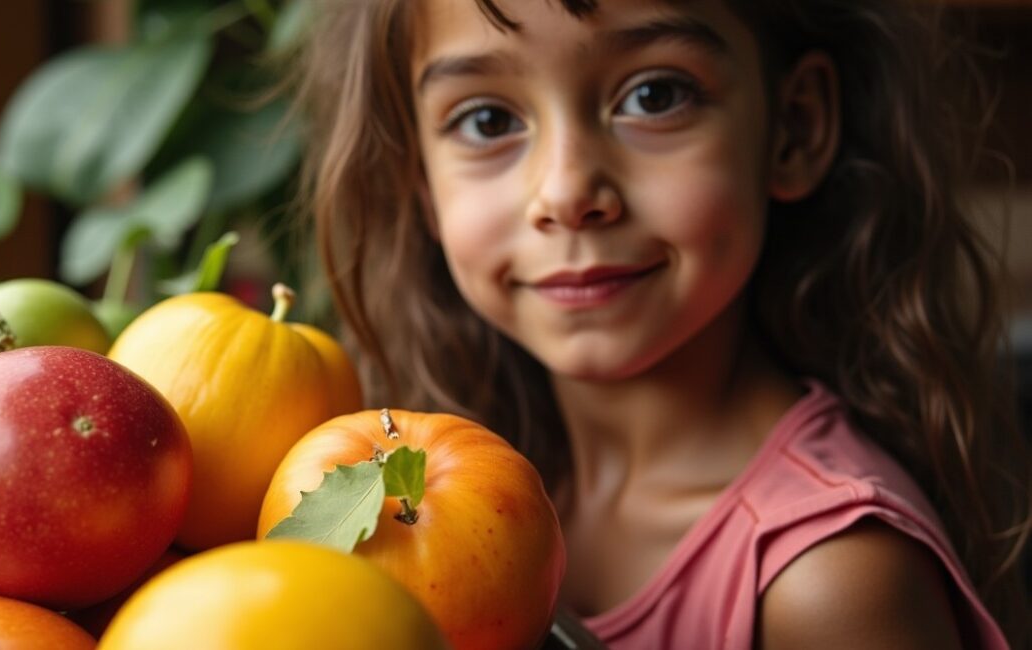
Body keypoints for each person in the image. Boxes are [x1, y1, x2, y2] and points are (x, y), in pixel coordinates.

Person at [291, 0, 1032, 648]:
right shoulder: (435, 483)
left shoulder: (828, 580)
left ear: (794, 129)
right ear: (419, 181)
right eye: (487, 120)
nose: (566, 190)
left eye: (653, 95)